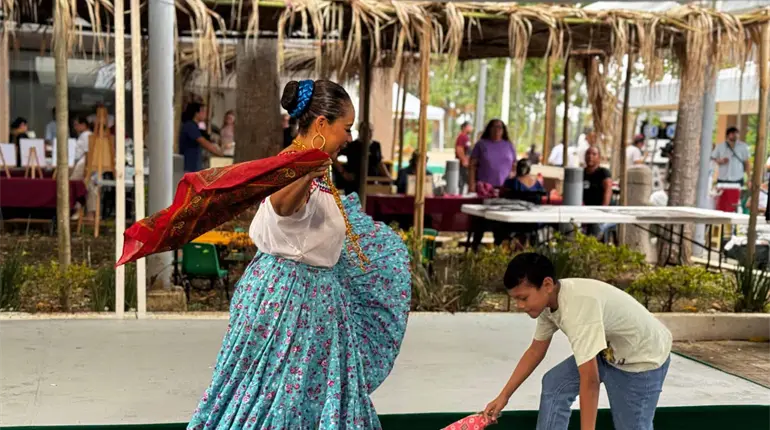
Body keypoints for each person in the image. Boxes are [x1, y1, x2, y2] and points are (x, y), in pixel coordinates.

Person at [188, 79, 410, 430]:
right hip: (290, 303)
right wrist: (306, 168)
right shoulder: (293, 166)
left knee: (292, 396)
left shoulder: (312, 168)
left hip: (309, 304)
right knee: (275, 396)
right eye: (346, 128)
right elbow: (282, 206)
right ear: (321, 125)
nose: (349, 138)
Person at [484, 253, 672, 430]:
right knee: (555, 384)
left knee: (631, 426)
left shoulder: (578, 309)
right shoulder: (548, 303)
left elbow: (590, 380)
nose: (520, 306)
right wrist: (503, 396)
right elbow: (535, 351)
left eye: (523, 298)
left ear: (547, 284)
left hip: (642, 358)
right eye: (516, 299)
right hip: (609, 351)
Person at [469, 119, 516, 196]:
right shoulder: (481, 144)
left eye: (500, 127)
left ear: (503, 130)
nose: (497, 129)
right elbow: (472, 166)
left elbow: (514, 166)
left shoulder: (509, 145)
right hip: (484, 188)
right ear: (489, 129)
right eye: (494, 127)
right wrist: (472, 185)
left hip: (505, 189)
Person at [178, 102, 223, 173]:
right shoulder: (190, 126)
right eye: (203, 111)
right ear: (197, 113)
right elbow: (204, 143)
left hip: (194, 165)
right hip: (189, 166)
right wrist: (220, 154)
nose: (205, 114)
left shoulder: (195, 126)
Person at [583, 146, 613, 237]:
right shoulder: (581, 173)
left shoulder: (604, 173)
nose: (590, 156)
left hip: (600, 212)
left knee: (594, 231)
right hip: (583, 211)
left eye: (594, 154)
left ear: (599, 157)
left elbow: (608, 192)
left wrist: (602, 212)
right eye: (588, 154)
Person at [69, 116, 95, 220]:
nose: (75, 127)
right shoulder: (83, 135)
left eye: (77, 124)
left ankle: (80, 210)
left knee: (76, 185)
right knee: (85, 186)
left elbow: (87, 152)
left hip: (83, 163)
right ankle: (82, 211)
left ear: (83, 125)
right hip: (80, 162)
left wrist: (86, 168)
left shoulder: (87, 135)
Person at [455, 121, 473, 192]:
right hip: (462, 164)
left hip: (466, 163)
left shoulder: (466, 137)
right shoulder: (462, 136)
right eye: (470, 126)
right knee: (463, 180)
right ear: (465, 127)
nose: (471, 128)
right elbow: (459, 149)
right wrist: (464, 160)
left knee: (465, 181)